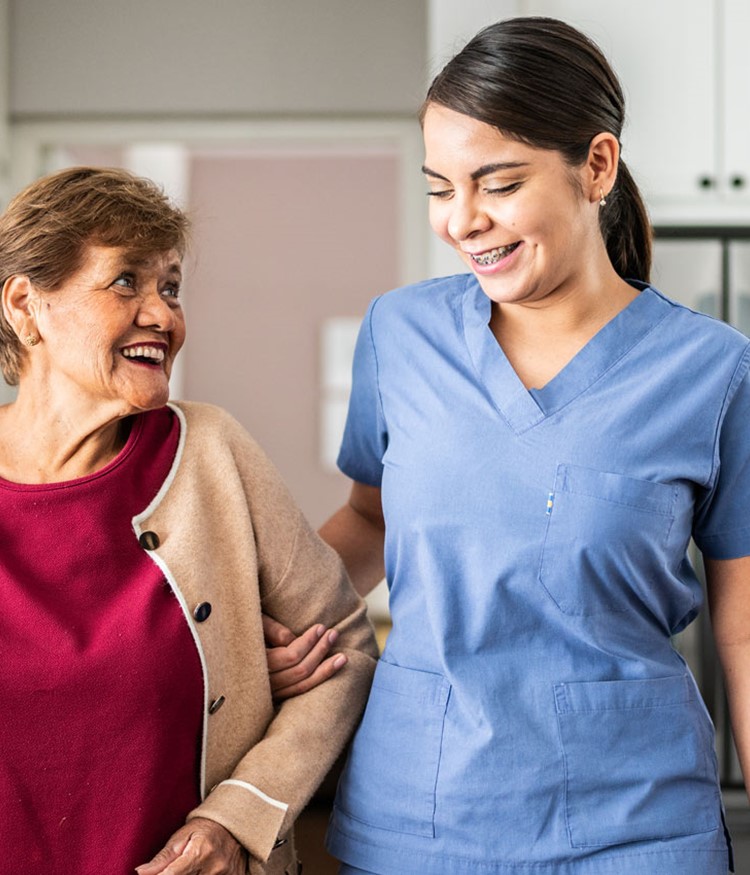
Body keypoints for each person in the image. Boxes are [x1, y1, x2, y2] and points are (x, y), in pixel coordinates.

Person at [268, 15, 750, 875]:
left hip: (635, 824)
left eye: (497, 182)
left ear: (596, 165)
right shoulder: (401, 333)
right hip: (420, 814)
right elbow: (369, 521)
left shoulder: (713, 371)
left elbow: (744, 628)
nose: (462, 220)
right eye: (439, 187)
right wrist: (265, 622)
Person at [0, 165, 378, 875]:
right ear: (27, 305)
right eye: (126, 282)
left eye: (170, 288)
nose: (163, 315)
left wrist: (236, 816)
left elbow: (345, 653)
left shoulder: (208, 453)